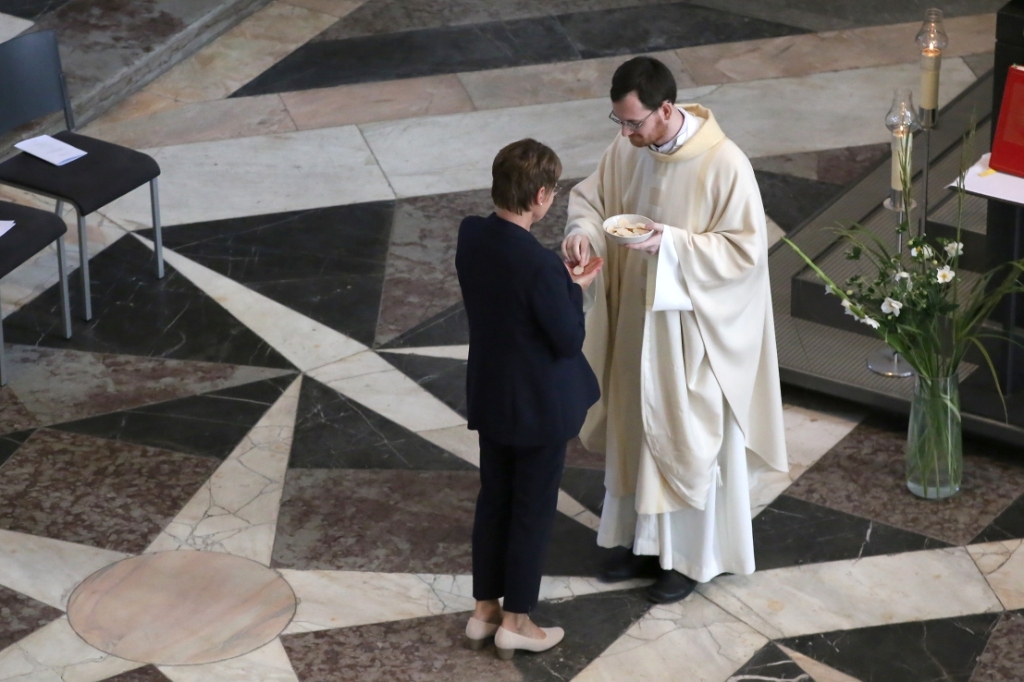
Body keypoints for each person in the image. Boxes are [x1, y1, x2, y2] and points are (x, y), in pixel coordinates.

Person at [560, 56, 789, 604]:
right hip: (636, 323)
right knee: (637, 430)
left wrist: (672, 243)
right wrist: (583, 233)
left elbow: (745, 253)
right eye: (619, 121)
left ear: (666, 109)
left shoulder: (725, 163)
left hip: (690, 334)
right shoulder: (627, 151)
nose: (625, 133)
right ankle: (640, 544)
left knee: (686, 439)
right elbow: (593, 198)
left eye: (633, 122)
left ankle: (688, 559)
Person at [456, 139, 603, 659]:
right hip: (538, 406)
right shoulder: (540, 266)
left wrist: (557, 283)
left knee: (495, 499)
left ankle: (484, 611)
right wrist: (574, 288)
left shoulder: (471, 234)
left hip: (492, 395)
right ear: (541, 195)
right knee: (532, 508)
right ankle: (518, 621)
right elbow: (566, 339)